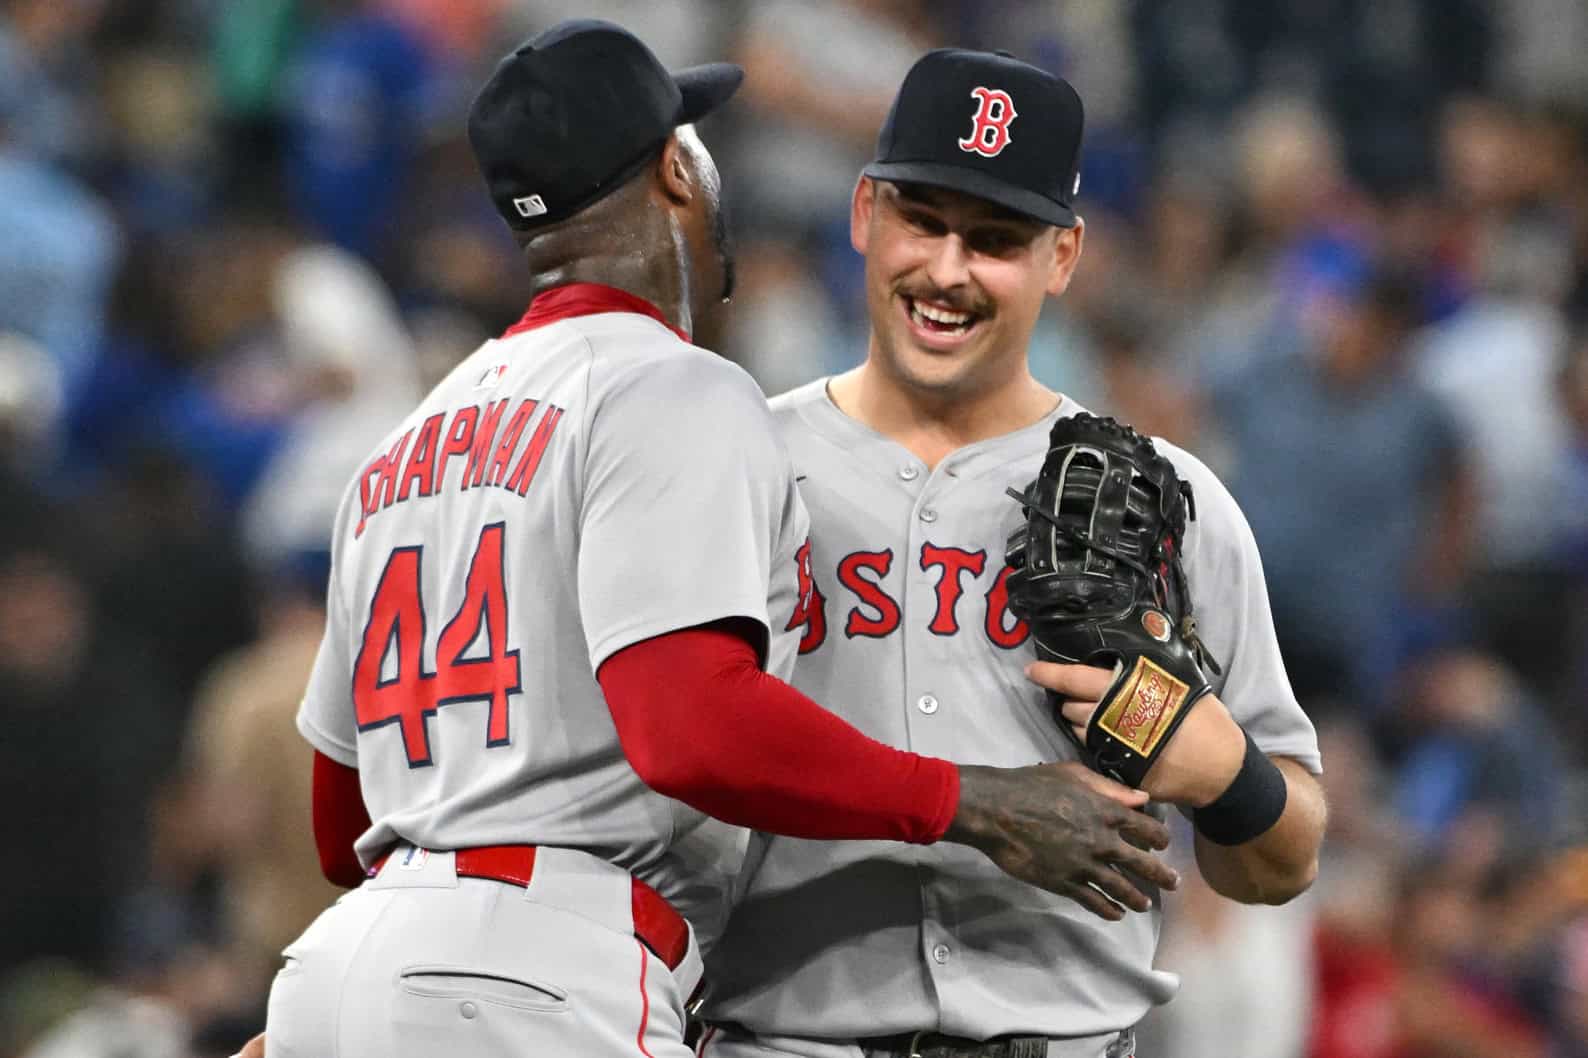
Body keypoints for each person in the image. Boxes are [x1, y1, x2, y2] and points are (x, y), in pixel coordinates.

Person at [258, 23, 1181, 1058]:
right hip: (536, 977)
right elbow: (689, 729)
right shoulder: (667, 383)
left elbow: (341, 823)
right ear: (673, 169)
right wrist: (973, 800)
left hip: (345, 970)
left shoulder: (403, 447)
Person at [697, 48, 1328, 1058]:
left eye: (994, 239)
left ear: (1063, 256)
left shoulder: (1168, 498)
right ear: (864, 212)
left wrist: (1229, 775)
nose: (947, 272)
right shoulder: (736, 461)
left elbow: (1281, 862)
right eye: (923, 221)